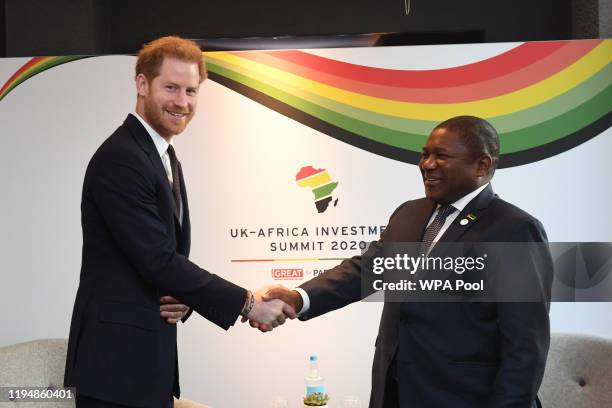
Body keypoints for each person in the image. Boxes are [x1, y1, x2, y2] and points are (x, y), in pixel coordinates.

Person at [64, 36, 295, 408]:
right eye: (171, 87)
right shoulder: (121, 158)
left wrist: (183, 296)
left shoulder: (164, 157)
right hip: (115, 372)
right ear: (142, 84)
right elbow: (157, 260)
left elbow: (159, 264)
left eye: (191, 90)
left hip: (144, 366)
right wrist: (248, 303)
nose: (182, 102)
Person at [260, 116, 553, 408]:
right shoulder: (408, 214)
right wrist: (298, 297)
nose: (427, 164)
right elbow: (365, 270)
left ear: (482, 166)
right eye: (425, 154)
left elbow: (526, 346)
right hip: (395, 391)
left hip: (464, 398)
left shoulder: (513, 229)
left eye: (441, 156)